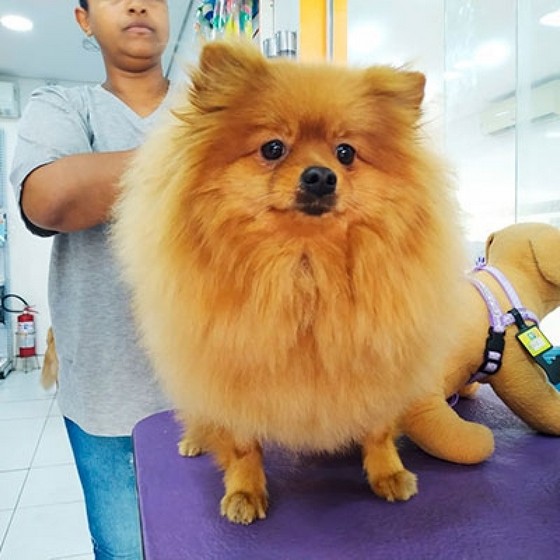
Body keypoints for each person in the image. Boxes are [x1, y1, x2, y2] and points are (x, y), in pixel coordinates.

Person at [10, 1, 173, 557]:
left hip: (238, 392)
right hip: (109, 398)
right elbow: (51, 199)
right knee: (126, 549)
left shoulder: (216, 102)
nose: (137, 4)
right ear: (83, 20)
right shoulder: (62, 105)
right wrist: (206, 156)